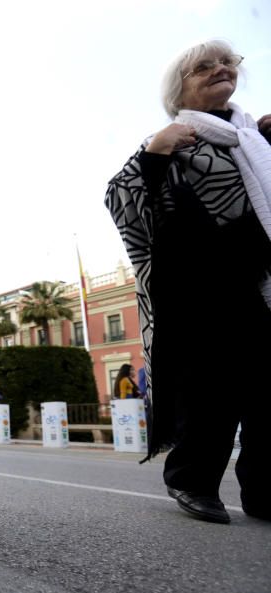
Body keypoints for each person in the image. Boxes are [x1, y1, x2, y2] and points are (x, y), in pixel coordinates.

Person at [106, 39, 271, 524]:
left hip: (256, 286)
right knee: (210, 395)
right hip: (199, 292)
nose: (221, 69)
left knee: (268, 395)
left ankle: (265, 491)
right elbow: (123, 203)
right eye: (205, 66)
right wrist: (154, 155)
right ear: (181, 87)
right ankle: (193, 482)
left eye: (227, 62)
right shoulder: (171, 141)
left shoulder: (255, 140)